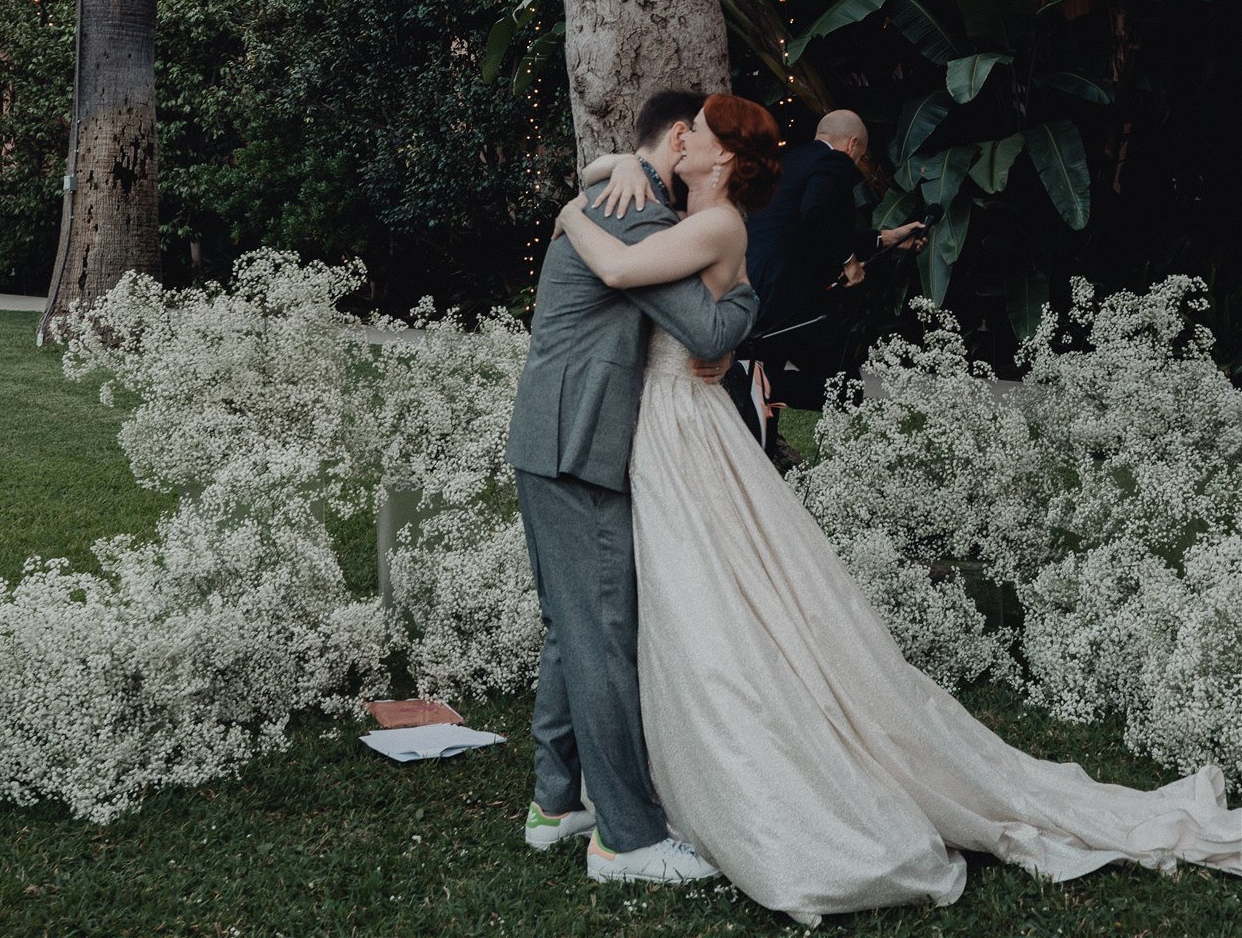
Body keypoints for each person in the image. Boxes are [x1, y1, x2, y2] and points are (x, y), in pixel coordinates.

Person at [559, 95, 1242, 920]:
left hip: (682, 431)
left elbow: (629, 276)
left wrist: (569, 210)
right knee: (695, 592)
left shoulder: (716, 224)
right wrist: (617, 167)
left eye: (696, 131)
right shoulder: (678, 201)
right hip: (668, 431)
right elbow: (653, 224)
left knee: (707, 597)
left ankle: (756, 790)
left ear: (721, 157)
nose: (683, 137)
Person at [505, 88, 759, 887]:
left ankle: (557, 803)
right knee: (602, 637)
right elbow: (710, 328)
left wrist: (590, 180)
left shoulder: (607, 192)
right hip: (581, 444)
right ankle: (626, 838)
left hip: (549, 437)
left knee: (571, 627)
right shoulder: (633, 214)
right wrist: (746, 296)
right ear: (682, 138)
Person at [746, 108, 925, 411]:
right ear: (852, 144)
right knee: (845, 388)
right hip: (796, 296)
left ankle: (758, 410)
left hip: (758, 287)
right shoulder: (834, 161)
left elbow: (811, 230)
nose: (856, 164)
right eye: (860, 156)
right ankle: (757, 384)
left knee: (762, 386)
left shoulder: (787, 161)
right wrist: (848, 261)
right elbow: (816, 213)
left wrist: (888, 237)